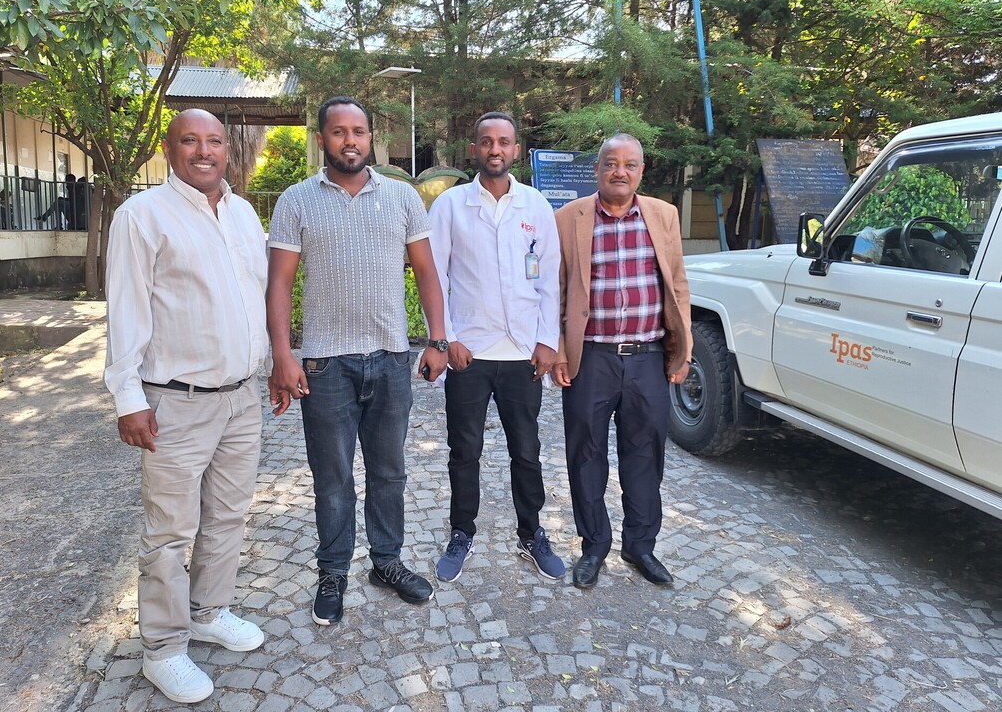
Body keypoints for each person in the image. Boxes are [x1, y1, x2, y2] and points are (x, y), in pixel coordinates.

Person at [104, 109, 270, 704]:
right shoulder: (142, 217)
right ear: (169, 148)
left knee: (228, 516)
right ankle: (163, 648)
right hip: (175, 402)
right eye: (190, 141)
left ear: (228, 148)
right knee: (170, 532)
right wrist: (128, 398)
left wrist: (270, 367)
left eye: (214, 141)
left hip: (240, 397)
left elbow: (253, 295)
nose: (204, 151)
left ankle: (208, 611)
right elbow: (126, 310)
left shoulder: (245, 213)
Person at [267, 95, 449, 627]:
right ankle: (333, 573)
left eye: (360, 132)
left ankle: (387, 563)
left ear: (372, 139)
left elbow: (427, 272)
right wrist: (284, 354)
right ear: (321, 139)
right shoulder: (296, 201)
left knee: (389, 472)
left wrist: (436, 340)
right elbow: (278, 284)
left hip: (391, 357)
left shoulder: (401, 198)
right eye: (340, 132)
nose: (351, 141)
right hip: (325, 366)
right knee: (333, 478)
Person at [428, 111, 566, 583]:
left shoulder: (536, 207)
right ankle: (461, 531)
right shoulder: (449, 206)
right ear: (474, 149)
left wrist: (549, 341)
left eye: (503, 142)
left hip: (523, 354)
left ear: (515, 150)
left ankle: (531, 534)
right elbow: (435, 278)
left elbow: (550, 279)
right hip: (470, 352)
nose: (494, 150)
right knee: (464, 450)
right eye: (486, 142)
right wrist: (447, 340)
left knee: (526, 449)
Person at [552, 133, 692, 590]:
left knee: (645, 455)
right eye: (611, 163)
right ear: (597, 170)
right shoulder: (567, 219)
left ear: (641, 172)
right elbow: (553, 290)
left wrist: (682, 350)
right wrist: (557, 349)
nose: (620, 171)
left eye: (630, 165)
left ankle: (641, 546)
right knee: (586, 453)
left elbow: (678, 286)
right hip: (591, 357)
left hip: (648, 357)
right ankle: (593, 546)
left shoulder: (663, 216)